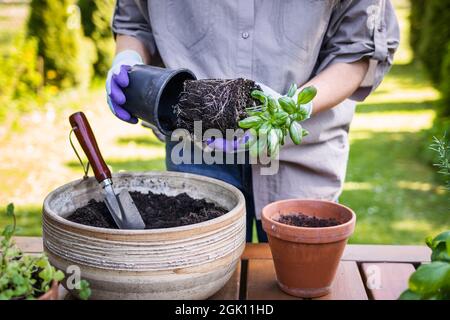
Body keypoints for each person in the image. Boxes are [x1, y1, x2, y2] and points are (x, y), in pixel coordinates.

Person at [106, 0, 399, 242]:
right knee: (209, 281)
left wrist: (291, 108)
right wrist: (128, 58)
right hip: (195, 145)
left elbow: (356, 47)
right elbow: (136, 22)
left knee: (300, 281)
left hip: (301, 154)